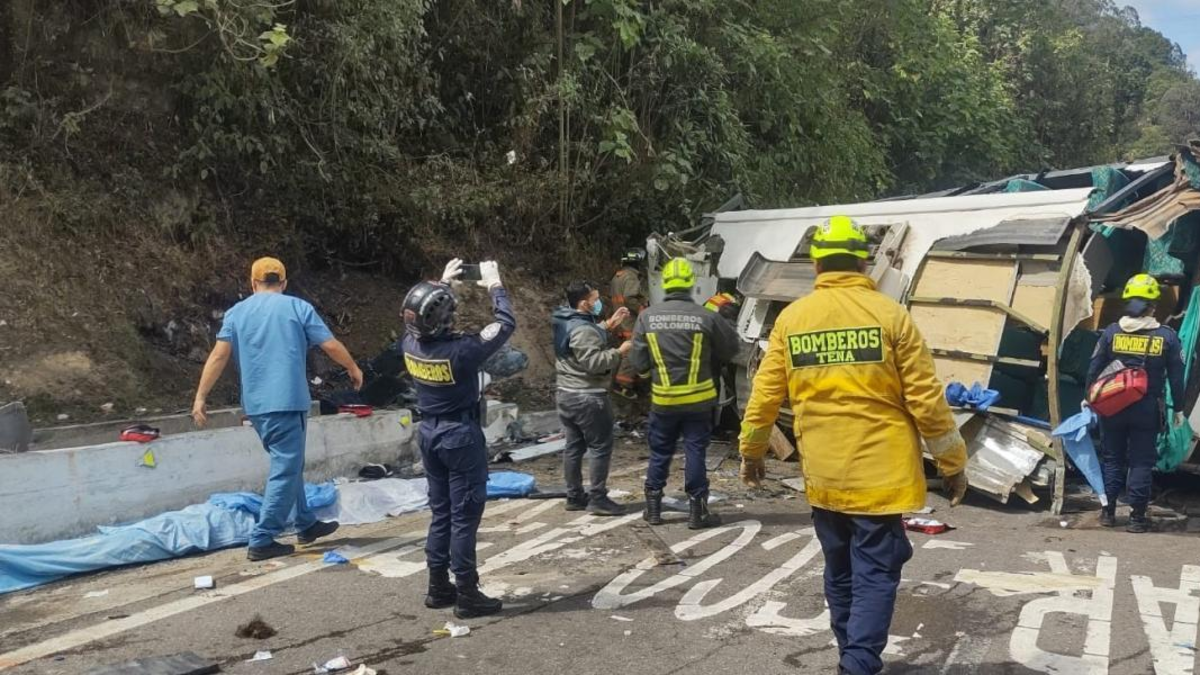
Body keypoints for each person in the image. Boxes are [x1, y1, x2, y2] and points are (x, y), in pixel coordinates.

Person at [737, 216, 969, 675]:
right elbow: (926, 400)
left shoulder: (793, 319)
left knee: (839, 570)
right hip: (881, 478)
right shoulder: (890, 316)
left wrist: (752, 451)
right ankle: (858, 663)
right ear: (863, 263)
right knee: (875, 572)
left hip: (825, 478)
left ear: (817, 264)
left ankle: (851, 654)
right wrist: (952, 463)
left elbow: (764, 395)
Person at [192, 257, 364, 561]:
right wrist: (353, 367)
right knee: (285, 469)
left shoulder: (236, 313)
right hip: (287, 401)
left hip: (258, 406)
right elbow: (330, 345)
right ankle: (262, 539)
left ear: (253, 283)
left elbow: (218, 356)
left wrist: (201, 397)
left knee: (290, 464)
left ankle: (306, 524)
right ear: (283, 283)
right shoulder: (298, 307)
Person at [400, 258, 516, 619]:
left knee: (442, 513)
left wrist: (442, 284)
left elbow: (422, 319)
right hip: (460, 436)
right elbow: (505, 324)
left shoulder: (410, 343)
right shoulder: (461, 351)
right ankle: (467, 593)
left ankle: (438, 586)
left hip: (429, 433)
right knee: (465, 517)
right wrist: (495, 285)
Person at [630, 257, 739, 529]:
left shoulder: (647, 317)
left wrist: (650, 379)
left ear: (665, 284)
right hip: (699, 401)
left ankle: (653, 509)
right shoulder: (707, 316)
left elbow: (639, 363)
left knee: (660, 452)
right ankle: (697, 512)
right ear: (691, 284)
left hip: (663, 400)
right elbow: (731, 349)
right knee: (695, 452)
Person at [1087, 273, 1185, 534]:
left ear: (1127, 301)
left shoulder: (1111, 332)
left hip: (1113, 405)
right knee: (1141, 462)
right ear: (1153, 306)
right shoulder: (1167, 337)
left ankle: (1108, 513)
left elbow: (1093, 369)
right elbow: (1177, 378)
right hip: (1146, 408)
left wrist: (1089, 398)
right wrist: (1179, 409)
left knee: (1112, 459)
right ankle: (1137, 519)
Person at [551, 281, 632, 516]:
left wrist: (608, 324)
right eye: (595, 299)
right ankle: (598, 498)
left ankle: (575, 496)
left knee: (574, 446)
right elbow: (594, 363)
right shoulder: (583, 330)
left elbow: (581, 337)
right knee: (600, 447)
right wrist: (620, 352)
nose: (598, 302)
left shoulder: (563, 318)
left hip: (566, 393)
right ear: (584, 303)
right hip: (588, 397)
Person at [611, 249, 647, 398]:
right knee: (633, 349)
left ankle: (630, 380)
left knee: (625, 350)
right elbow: (629, 298)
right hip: (629, 321)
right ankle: (622, 385)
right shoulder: (631, 277)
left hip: (620, 319)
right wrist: (643, 310)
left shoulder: (618, 276)